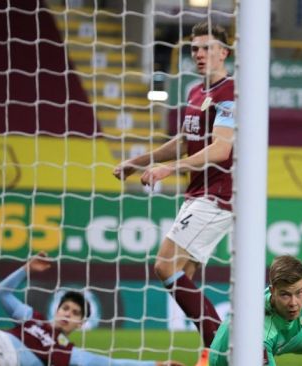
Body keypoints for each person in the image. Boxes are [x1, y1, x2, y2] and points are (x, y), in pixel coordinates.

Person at [113, 22, 234, 347]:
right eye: (194, 48)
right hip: (197, 192)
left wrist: (170, 169)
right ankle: (212, 351)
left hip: (219, 195)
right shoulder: (195, 92)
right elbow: (184, 140)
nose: (199, 54)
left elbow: (222, 148)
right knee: (183, 277)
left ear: (224, 52)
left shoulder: (231, 92)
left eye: (207, 47)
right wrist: (136, 161)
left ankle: (225, 345)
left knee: (164, 265)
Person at [0, 252, 182, 366]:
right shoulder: (31, 317)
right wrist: (26, 269)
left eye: (75, 313)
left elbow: (114, 364)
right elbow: (1, 292)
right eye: (65, 308)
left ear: (81, 324)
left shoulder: (69, 353)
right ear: (56, 311)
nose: (68, 313)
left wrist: (157, 364)